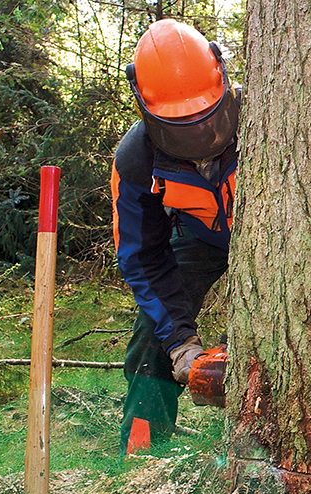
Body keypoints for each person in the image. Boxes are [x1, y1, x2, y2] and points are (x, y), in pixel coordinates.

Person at [110, 18, 239, 455]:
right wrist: (182, 343)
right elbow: (143, 257)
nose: (203, 134)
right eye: (184, 126)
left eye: (208, 119)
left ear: (221, 76)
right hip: (203, 235)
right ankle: (143, 450)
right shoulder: (135, 161)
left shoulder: (270, 120)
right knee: (151, 338)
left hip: (273, 232)